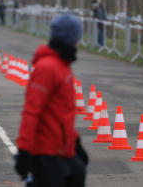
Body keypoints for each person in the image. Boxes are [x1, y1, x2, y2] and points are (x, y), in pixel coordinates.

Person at [14, 13, 88, 187]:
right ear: (71, 39)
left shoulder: (63, 66)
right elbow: (31, 111)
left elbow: (61, 112)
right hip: (46, 150)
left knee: (78, 172)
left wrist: (75, 141)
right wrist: (24, 151)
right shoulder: (47, 68)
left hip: (62, 147)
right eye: (78, 38)